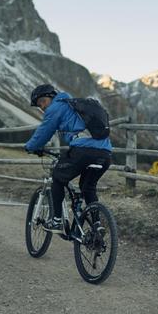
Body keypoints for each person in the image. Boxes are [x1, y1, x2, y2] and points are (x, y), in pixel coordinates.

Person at [24, 84, 112, 233]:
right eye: (39, 105)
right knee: (88, 187)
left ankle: (57, 221)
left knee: (58, 177)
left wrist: (30, 147)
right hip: (105, 153)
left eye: (43, 102)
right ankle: (97, 225)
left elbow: (44, 131)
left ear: (52, 97)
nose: (42, 107)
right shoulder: (74, 106)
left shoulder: (57, 107)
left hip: (83, 151)